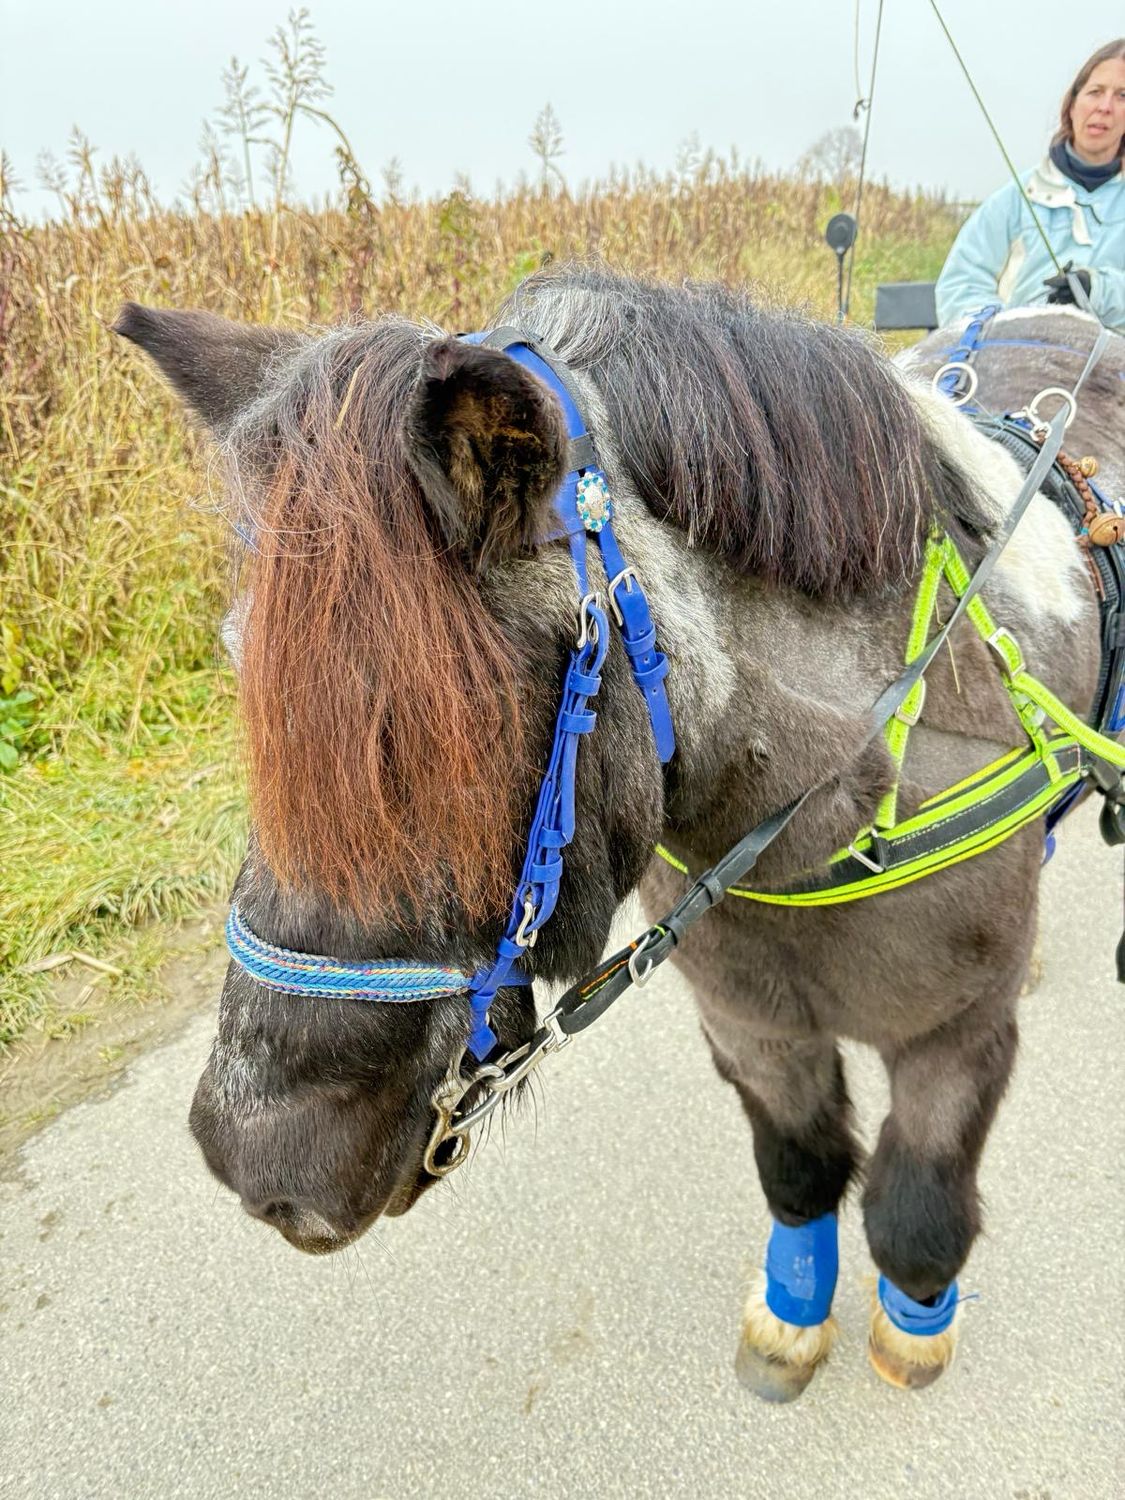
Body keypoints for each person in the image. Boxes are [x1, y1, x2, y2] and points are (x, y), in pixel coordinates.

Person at [935, 40, 1125, 331]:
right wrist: (1006, 335)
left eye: (1122, 96)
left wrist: (1097, 290)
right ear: (1072, 105)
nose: (1104, 107)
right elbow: (960, 285)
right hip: (1018, 368)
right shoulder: (1013, 200)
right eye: (1095, 92)